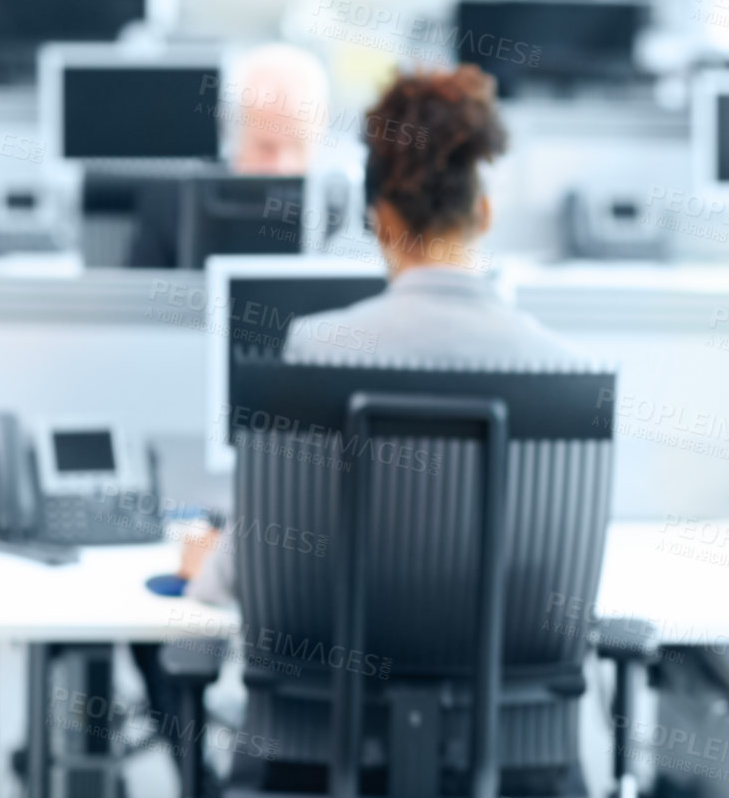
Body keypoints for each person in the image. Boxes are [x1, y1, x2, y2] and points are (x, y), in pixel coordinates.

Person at [179, 62, 579, 603]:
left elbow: (246, 574)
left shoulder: (316, 351)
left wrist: (211, 562)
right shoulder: (556, 366)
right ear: (484, 213)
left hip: (341, 685)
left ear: (382, 221)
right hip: (494, 684)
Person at [126, 43, 333, 268]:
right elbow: (136, 296)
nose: (282, 166)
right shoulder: (174, 205)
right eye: (266, 147)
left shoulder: (341, 213)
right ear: (232, 136)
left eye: (297, 146)